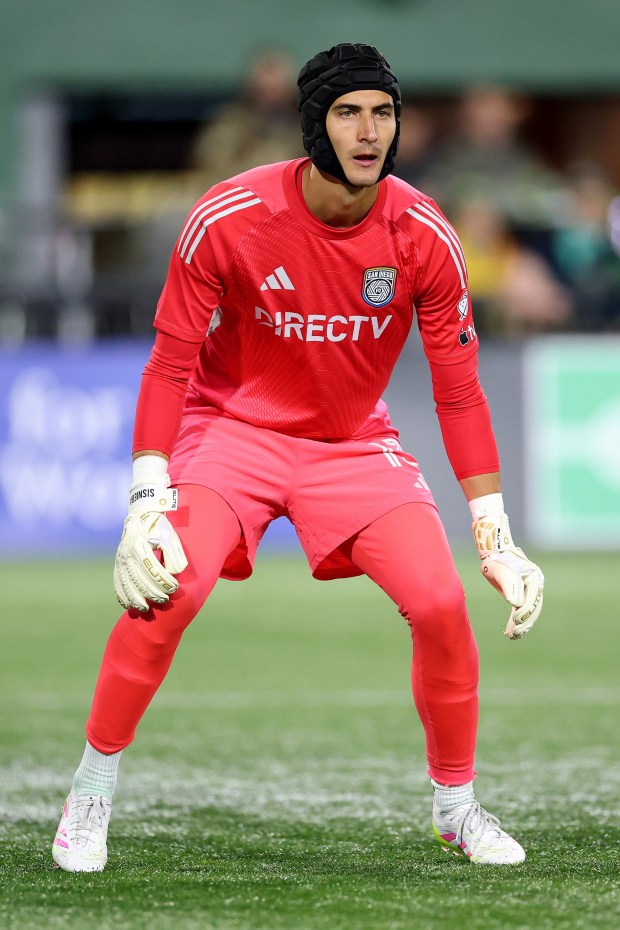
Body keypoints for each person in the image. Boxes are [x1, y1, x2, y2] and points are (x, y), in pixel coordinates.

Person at [52, 43, 544, 873]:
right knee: (167, 592)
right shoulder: (228, 215)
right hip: (230, 431)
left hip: (352, 443)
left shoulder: (423, 231)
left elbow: (459, 391)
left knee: (439, 604)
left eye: (383, 113)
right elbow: (170, 365)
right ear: (314, 123)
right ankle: (90, 791)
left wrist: (494, 535)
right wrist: (145, 496)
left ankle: (456, 809)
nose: (368, 131)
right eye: (348, 112)